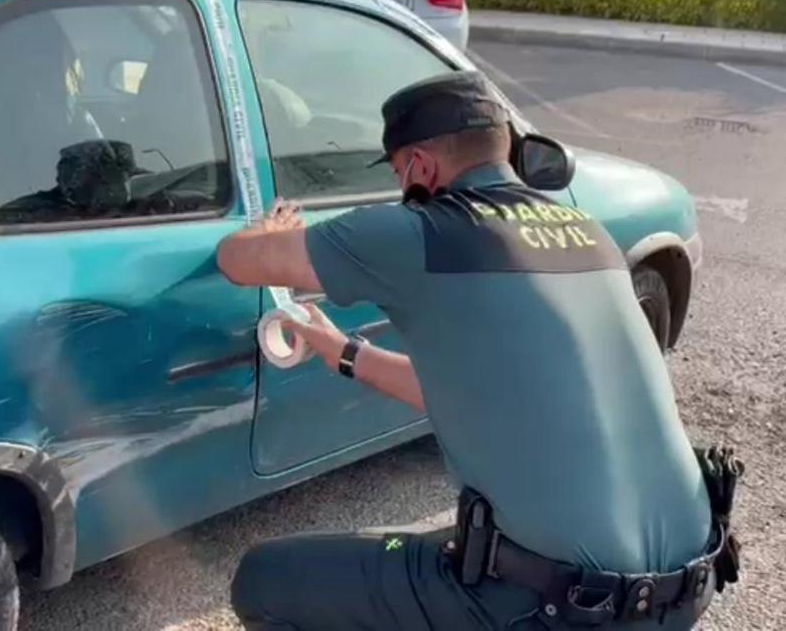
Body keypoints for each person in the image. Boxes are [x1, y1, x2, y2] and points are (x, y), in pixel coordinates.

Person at [216, 71, 738, 630]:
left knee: (265, 580)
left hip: (561, 610)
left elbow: (237, 260)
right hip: (686, 585)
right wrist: (343, 352)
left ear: (418, 166)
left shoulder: (421, 233)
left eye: (397, 174)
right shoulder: (588, 233)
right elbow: (470, 391)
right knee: (455, 548)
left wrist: (267, 229)